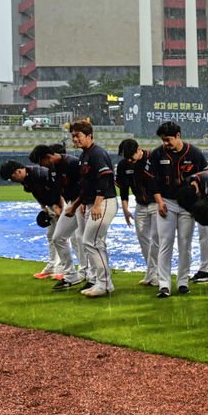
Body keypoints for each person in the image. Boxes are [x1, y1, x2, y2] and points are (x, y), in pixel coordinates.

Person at [144, 121, 208, 298]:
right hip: (166, 202)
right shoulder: (157, 154)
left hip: (187, 206)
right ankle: (164, 285)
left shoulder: (194, 153)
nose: (165, 143)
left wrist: (196, 203)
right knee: (165, 244)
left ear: (178, 135)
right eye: (163, 140)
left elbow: (205, 176)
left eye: (168, 139)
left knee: (185, 245)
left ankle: (182, 282)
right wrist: (159, 201)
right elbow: (151, 180)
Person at [66, 120, 118, 297]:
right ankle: (102, 282)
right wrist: (79, 204)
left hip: (103, 202)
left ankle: (103, 284)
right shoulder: (85, 155)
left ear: (89, 135)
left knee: (90, 241)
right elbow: (85, 185)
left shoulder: (97, 153)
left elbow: (104, 180)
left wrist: (95, 205)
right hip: (92, 203)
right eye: (73, 136)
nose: (75, 139)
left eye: (78, 135)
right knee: (96, 243)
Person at [29, 143, 85, 290]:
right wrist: (59, 206)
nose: (41, 166)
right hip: (71, 204)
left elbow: (85, 185)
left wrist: (79, 204)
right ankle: (71, 275)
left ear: (48, 157)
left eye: (41, 162)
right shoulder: (52, 170)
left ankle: (89, 274)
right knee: (58, 237)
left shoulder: (72, 163)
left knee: (84, 239)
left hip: (83, 202)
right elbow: (59, 190)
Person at [0, 159, 62, 279]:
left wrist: (57, 207)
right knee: (51, 236)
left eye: (11, 178)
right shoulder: (26, 180)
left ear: (18, 171)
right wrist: (43, 207)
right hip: (51, 205)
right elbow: (37, 193)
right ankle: (53, 265)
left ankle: (63, 269)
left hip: (61, 204)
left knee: (61, 237)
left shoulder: (40, 174)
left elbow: (57, 189)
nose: (12, 181)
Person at [116, 139, 159, 287]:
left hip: (155, 203)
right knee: (143, 240)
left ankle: (157, 274)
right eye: (126, 158)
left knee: (156, 240)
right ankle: (152, 272)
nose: (130, 161)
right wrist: (125, 209)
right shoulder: (123, 165)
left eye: (131, 157)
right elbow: (123, 189)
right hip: (140, 205)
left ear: (139, 150)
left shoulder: (153, 159)